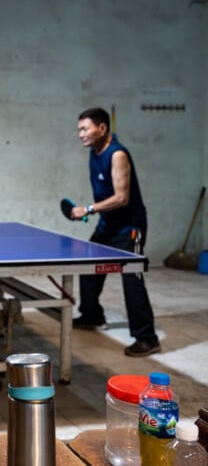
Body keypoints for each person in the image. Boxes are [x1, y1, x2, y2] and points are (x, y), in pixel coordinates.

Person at [70, 107, 161, 357]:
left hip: (129, 227)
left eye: (84, 128)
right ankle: (91, 314)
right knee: (88, 264)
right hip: (107, 224)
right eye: (79, 129)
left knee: (131, 278)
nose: (80, 134)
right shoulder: (94, 151)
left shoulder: (117, 154)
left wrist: (87, 209)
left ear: (102, 128)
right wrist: (91, 212)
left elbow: (122, 197)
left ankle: (147, 337)